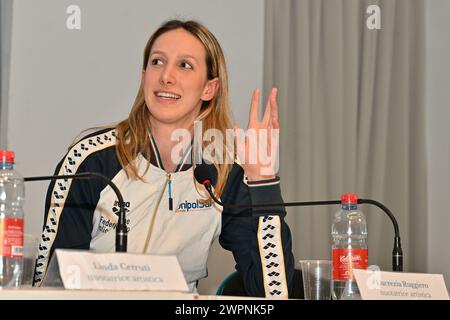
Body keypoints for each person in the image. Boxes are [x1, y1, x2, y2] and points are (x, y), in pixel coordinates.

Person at [34, 19, 295, 298]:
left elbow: (272, 295)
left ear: (210, 88)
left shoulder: (225, 172)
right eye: (157, 62)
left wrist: (263, 182)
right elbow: (49, 284)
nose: (166, 76)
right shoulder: (90, 160)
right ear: (144, 75)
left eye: (185, 65)